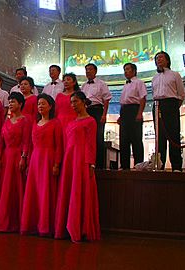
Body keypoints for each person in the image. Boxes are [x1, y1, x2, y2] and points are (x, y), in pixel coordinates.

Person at [55, 91, 101, 242]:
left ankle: (80, 228)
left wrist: (91, 163)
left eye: (76, 102)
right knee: (69, 190)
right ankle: (67, 227)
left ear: (83, 102)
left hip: (82, 160)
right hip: (70, 158)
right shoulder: (71, 122)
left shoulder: (90, 121)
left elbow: (91, 144)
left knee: (79, 191)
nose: (73, 105)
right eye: (72, 102)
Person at [20, 94, 63, 236]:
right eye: (39, 104)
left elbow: (58, 146)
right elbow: (31, 145)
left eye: (43, 104)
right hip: (35, 160)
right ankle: (32, 223)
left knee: (46, 191)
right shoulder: (34, 123)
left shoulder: (56, 123)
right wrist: (27, 161)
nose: (40, 106)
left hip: (48, 159)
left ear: (50, 106)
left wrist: (56, 164)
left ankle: (45, 226)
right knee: (34, 191)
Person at [0, 92, 31, 232]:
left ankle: (16, 220)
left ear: (20, 104)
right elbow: (1, 142)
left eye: (13, 101)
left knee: (16, 187)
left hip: (17, 156)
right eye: (9, 102)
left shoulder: (25, 120)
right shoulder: (6, 121)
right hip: (5, 156)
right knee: (5, 188)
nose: (10, 104)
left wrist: (24, 157)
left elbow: (26, 141)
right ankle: (3, 220)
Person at [152, 51, 185, 171]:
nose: (158, 60)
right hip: (157, 105)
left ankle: (176, 166)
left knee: (173, 135)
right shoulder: (154, 78)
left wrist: (173, 108)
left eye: (161, 57)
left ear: (167, 60)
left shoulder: (175, 74)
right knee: (159, 137)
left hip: (171, 104)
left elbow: (181, 94)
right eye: (156, 58)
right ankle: (159, 165)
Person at [81, 63, 112, 169]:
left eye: (90, 69)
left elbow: (106, 99)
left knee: (98, 137)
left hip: (97, 110)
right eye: (86, 70)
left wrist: (104, 115)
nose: (88, 71)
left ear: (95, 71)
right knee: (85, 138)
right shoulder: (83, 86)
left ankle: (99, 165)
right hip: (86, 111)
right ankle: (87, 163)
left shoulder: (101, 84)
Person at [118, 63, 147, 170]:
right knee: (124, 139)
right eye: (124, 69)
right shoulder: (125, 85)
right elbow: (123, 102)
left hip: (134, 110)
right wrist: (121, 116)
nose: (125, 71)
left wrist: (140, 113)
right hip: (125, 112)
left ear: (134, 71)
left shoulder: (139, 82)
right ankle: (124, 166)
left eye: (128, 69)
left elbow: (142, 98)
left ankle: (138, 165)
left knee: (136, 139)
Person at [55, 73, 79, 144]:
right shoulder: (59, 95)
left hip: (73, 121)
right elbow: (56, 110)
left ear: (74, 82)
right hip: (59, 122)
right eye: (64, 80)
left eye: (68, 79)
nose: (65, 82)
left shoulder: (77, 95)